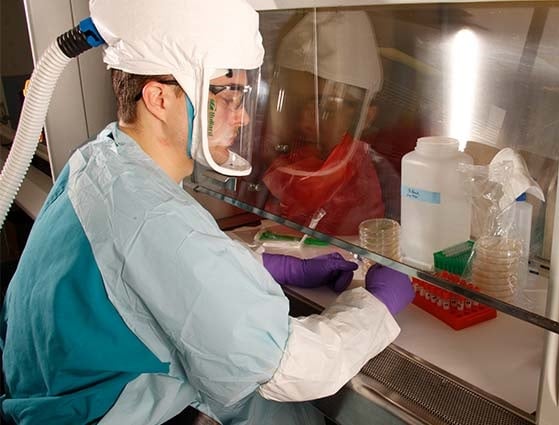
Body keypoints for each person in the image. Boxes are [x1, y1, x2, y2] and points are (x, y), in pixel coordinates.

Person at [0, 1, 414, 424]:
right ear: (159, 98)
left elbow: (155, 271)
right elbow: (290, 369)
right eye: (226, 94)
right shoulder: (154, 219)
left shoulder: (101, 161)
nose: (243, 115)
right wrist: (375, 306)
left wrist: (265, 263)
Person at [258, 11, 394, 236]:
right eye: (294, 104)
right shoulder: (279, 167)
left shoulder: (381, 184)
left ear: (366, 116)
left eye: (325, 110)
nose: (304, 122)